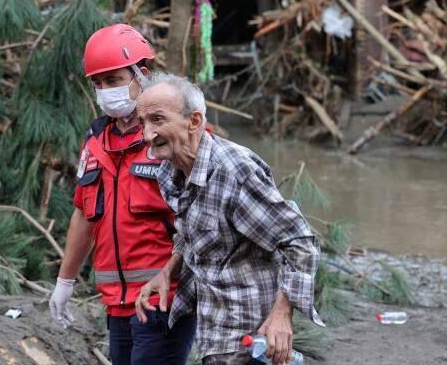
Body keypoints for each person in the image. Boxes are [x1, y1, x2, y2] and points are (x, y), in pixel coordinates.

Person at [134, 72, 325, 365]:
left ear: (194, 122)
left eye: (158, 120)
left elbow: (299, 242)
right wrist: (168, 270)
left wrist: (282, 314)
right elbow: (196, 232)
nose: (147, 135)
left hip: (252, 336)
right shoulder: (169, 172)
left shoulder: (234, 172)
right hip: (213, 331)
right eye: (142, 123)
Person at [48, 24, 195, 365]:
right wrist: (65, 280)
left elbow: (203, 218)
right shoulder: (96, 142)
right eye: (97, 84)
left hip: (165, 298)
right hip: (116, 302)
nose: (104, 91)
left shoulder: (172, 137)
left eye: (113, 80)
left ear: (141, 76)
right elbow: (84, 215)